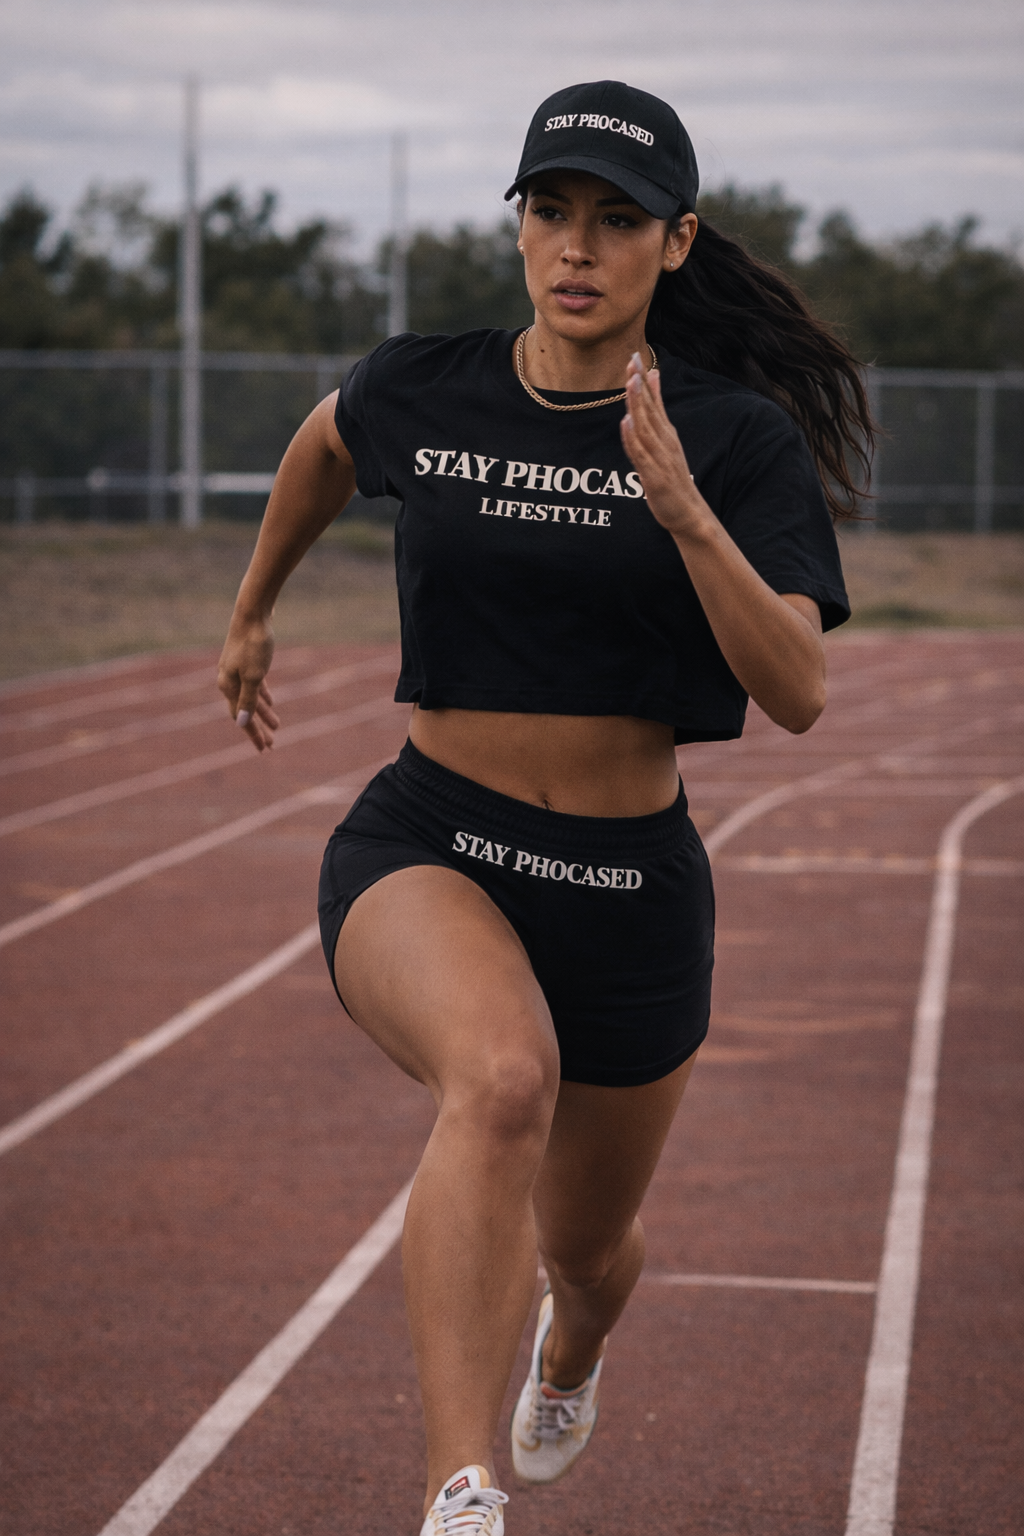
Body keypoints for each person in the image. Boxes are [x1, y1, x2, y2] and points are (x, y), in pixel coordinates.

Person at [218, 80, 870, 1536]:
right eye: (551, 211)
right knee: (500, 1081)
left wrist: (683, 507)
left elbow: (800, 691)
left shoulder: (735, 440)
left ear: (676, 244)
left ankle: (573, 1341)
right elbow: (325, 443)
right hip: (430, 838)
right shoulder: (427, 385)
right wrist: (252, 612)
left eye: (617, 220)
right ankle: (462, 1491)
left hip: (629, 889)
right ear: (519, 226)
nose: (578, 246)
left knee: (592, 1248)